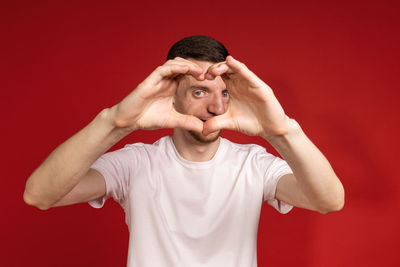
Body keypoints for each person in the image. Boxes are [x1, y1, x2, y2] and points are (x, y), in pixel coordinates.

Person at [24, 35, 344, 267]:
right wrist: (116, 122)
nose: (216, 107)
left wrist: (282, 131)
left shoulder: (253, 165)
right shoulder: (136, 162)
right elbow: (39, 194)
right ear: (172, 95)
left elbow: (329, 200)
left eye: (224, 93)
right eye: (200, 91)